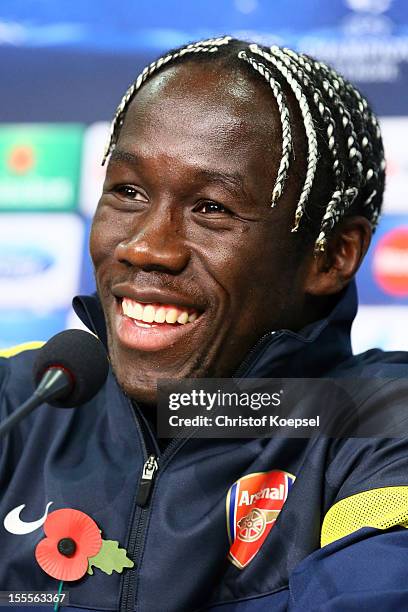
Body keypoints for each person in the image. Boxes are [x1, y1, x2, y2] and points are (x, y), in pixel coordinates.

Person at [1, 36, 408, 612]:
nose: (146, 248)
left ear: (332, 256)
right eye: (128, 191)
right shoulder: (18, 406)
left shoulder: (383, 422)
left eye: (212, 208)